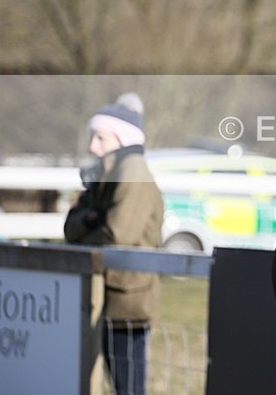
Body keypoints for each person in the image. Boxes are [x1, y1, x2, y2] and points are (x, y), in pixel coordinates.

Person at [64, 92, 164, 395]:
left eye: (100, 138)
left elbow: (117, 233)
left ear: (122, 138)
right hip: (105, 296)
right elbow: (71, 225)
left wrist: (88, 227)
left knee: (128, 388)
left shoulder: (132, 173)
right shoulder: (108, 173)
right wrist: (89, 221)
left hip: (126, 304)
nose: (93, 146)